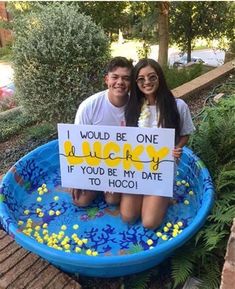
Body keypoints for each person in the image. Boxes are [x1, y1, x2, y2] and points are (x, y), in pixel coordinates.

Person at [120, 58, 195, 230]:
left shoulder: (178, 105)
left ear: (159, 77)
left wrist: (178, 147)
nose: (147, 82)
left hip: (162, 170)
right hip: (138, 169)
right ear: (136, 82)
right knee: (128, 216)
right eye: (141, 79)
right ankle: (154, 197)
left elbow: (185, 134)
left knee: (149, 223)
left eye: (152, 77)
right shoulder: (132, 107)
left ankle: (162, 197)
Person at [71, 56, 133, 207]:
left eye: (126, 78)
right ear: (107, 79)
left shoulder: (138, 106)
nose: (120, 82)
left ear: (131, 82)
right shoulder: (89, 106)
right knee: (80, 201)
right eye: (115, 77)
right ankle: (98, 187)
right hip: (94, 163)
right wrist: (75, 178)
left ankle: (108, 190)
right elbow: (77, 144)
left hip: (122, 164)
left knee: (113, 200)